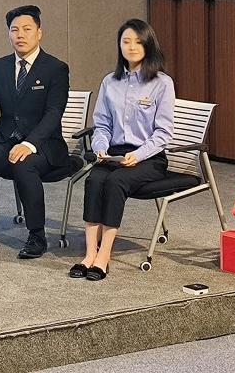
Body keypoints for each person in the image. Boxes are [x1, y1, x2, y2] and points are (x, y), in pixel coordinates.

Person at [0, 5, 71, 259]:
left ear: (39, 33)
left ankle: (37, 235)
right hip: (6, 139)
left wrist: (29, 144)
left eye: (27, 29)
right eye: (14, 30)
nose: (20, 35)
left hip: (44, 145)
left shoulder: (55, 68)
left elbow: (54, 113)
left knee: (24, 163)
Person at [72, 19, 174, 281]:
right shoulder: (110, 81)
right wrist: (100, 147)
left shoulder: (162, 83)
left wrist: (137, 155)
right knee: (95, 179)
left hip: (149, 157)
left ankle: (104, 255)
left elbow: (163, 134)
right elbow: (102, 124)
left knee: (116, 181)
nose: (131, 47)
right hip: (114, 152)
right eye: (126, 41)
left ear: (148, 45)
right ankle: (89, 254)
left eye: (138, 42)